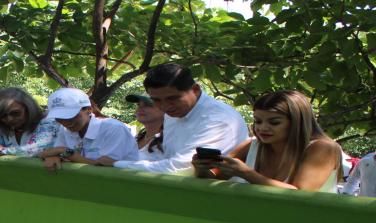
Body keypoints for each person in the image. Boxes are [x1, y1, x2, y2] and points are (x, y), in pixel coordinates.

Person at [192, 90, 343, 193]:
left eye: (274, 122)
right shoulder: (252, 145)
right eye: (258, 121)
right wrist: (202, 169)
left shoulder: (323, 148)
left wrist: (246, 173)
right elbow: (213, 180)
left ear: (296, 122)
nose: (263, 128)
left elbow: (301, 195)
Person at [110, 63, 248, 173]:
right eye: (156, 100)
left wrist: (116, 164)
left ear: (195, 89)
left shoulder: (218, 120)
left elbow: (182, 168)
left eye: (173, 98)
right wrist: (114, 160)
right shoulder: (176, 112)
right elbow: (163, 154)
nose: (164, 106)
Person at [40, 87, 139, 169]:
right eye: (59, 117)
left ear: (88, 109)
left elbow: (103, 167)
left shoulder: (114, 129)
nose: (65, 121)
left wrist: (64, 152)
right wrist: (54, 156)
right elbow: (51, 153)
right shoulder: (64, 129)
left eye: (70, 115)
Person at [0, 87, 60, 158]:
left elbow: (36, 150)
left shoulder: (48, 123)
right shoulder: (4, 131)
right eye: (3, 116)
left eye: (15, 113)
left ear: (28, 108)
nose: (10, 119)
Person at [126, 93, 165, 160]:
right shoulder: (136, 139)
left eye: (148, 105)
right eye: (138, 105)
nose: (140, 108)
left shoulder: (170, 138)